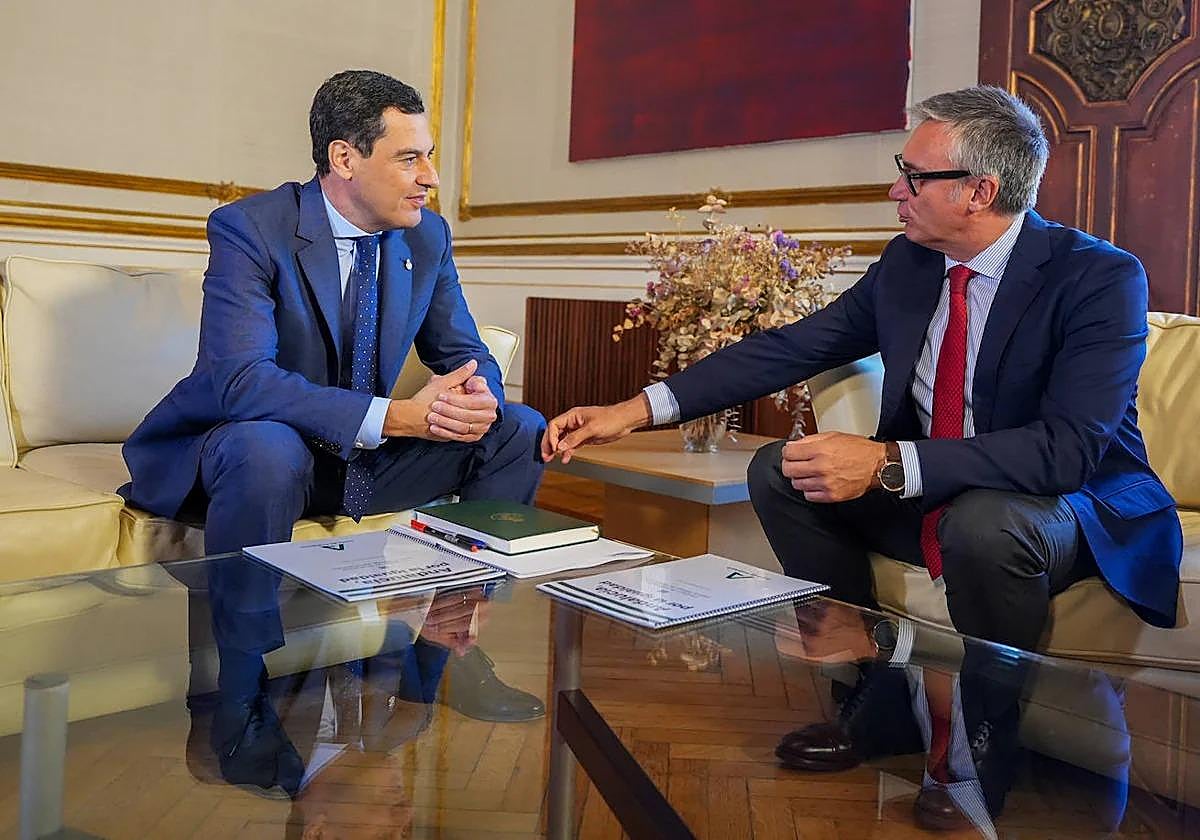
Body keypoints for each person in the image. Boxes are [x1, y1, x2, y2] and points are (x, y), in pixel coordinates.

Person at [542, 85, 1181, 777]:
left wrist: (885, 461)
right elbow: (790, 348)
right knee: (781, 470)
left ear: (978, 190)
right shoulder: (909, 264)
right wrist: (634, 410)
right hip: (942, 490)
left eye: (913, 175)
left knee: (985, 524)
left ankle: (978, 759)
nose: (893, 189)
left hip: (1067, 505)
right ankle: (872, 705)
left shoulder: (1099, 277)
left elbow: (1068, 450)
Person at [122, 69, 546, 738]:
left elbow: (464, 349)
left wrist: (476, 395)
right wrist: (398, 416)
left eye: (429, 154)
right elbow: (241, 381)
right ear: (344, 157)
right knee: (267, 444)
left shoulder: (426, 238)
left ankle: (439, 661)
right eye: (410, 157)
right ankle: (240, 695)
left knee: (518, 429)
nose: (430, 176)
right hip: (255, 461)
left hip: (355, 462)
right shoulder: (249, 228)